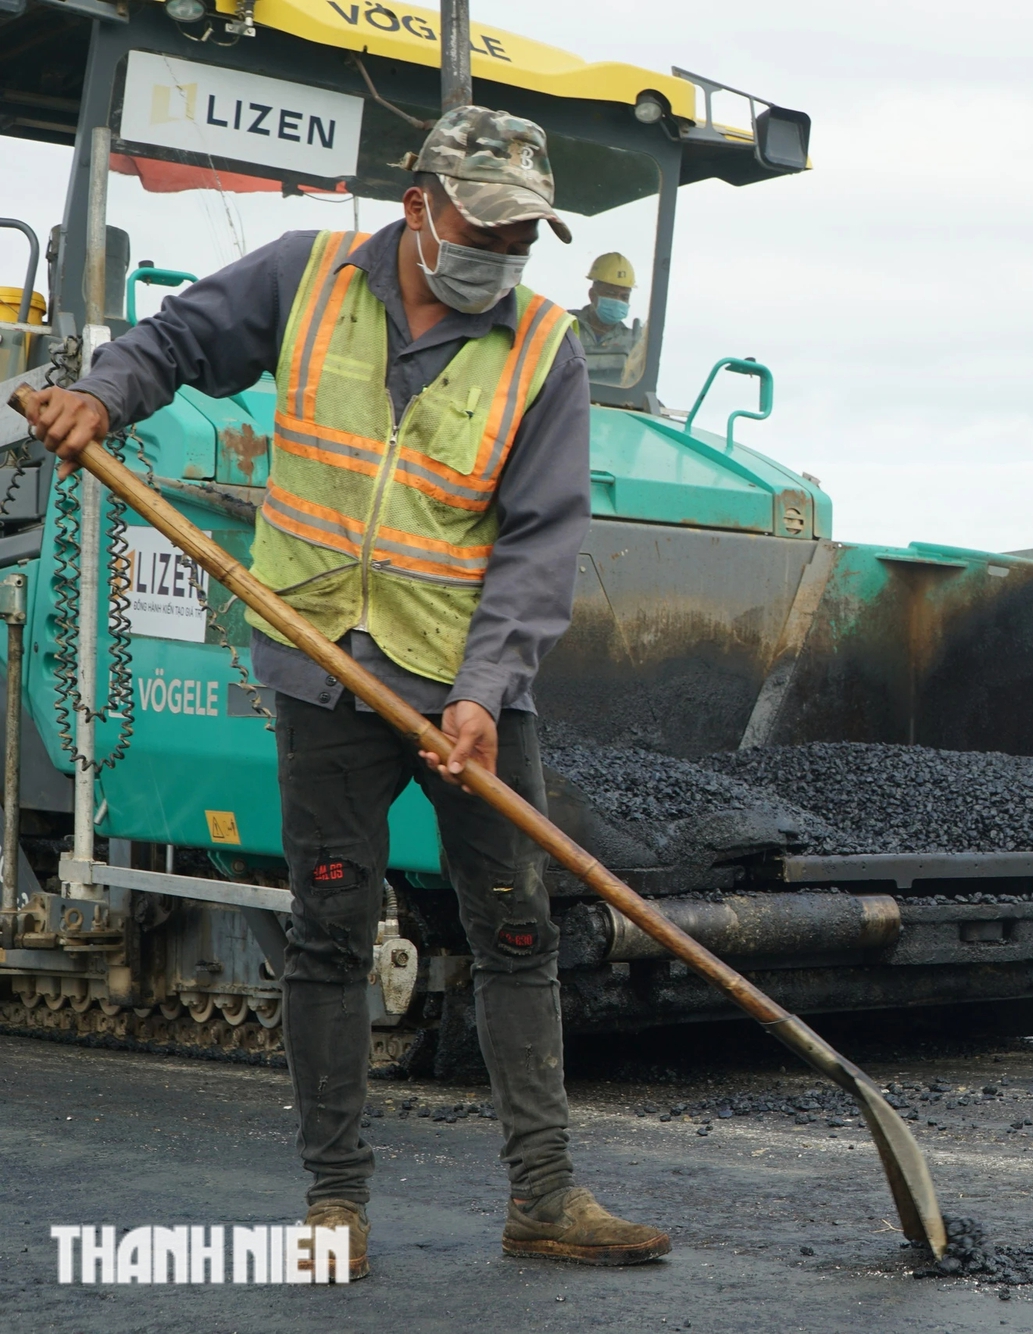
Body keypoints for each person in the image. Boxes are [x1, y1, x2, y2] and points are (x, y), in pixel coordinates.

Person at [20, 106, 671, 1276]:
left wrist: (481, 692)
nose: (504, 253)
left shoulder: (541, 353)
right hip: (319, 664)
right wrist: (104, 396)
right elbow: (177, 341)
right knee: (329, 929)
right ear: (420, 205)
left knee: (515, 928)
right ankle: (334, 1203)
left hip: (466, 692)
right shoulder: (308, 278)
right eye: (486, 227)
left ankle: (544, 1192)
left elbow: (536, 547)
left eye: (525, 237)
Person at [571, 251, 643, 384]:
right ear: (592, 295)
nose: (617, 300)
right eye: (611, 293)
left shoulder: (634, 342)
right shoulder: (565, 326)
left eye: (624, 297)